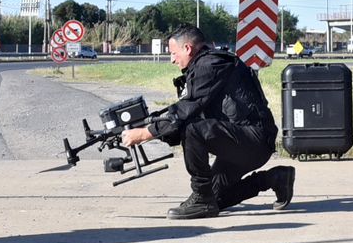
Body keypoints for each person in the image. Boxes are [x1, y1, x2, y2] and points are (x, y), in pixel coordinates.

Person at [119, 26, 294, 219]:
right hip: (240, 142)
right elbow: (185, 111)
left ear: (187, 48)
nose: (172, 59)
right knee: (216, 199)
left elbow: (186, 110)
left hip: (253, 140)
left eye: (173, 53)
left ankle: (201, 198)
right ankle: (274, 179)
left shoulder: (210, 65)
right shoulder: (205, 65)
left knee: (192, 129)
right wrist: (150, 126)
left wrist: (145, 133)